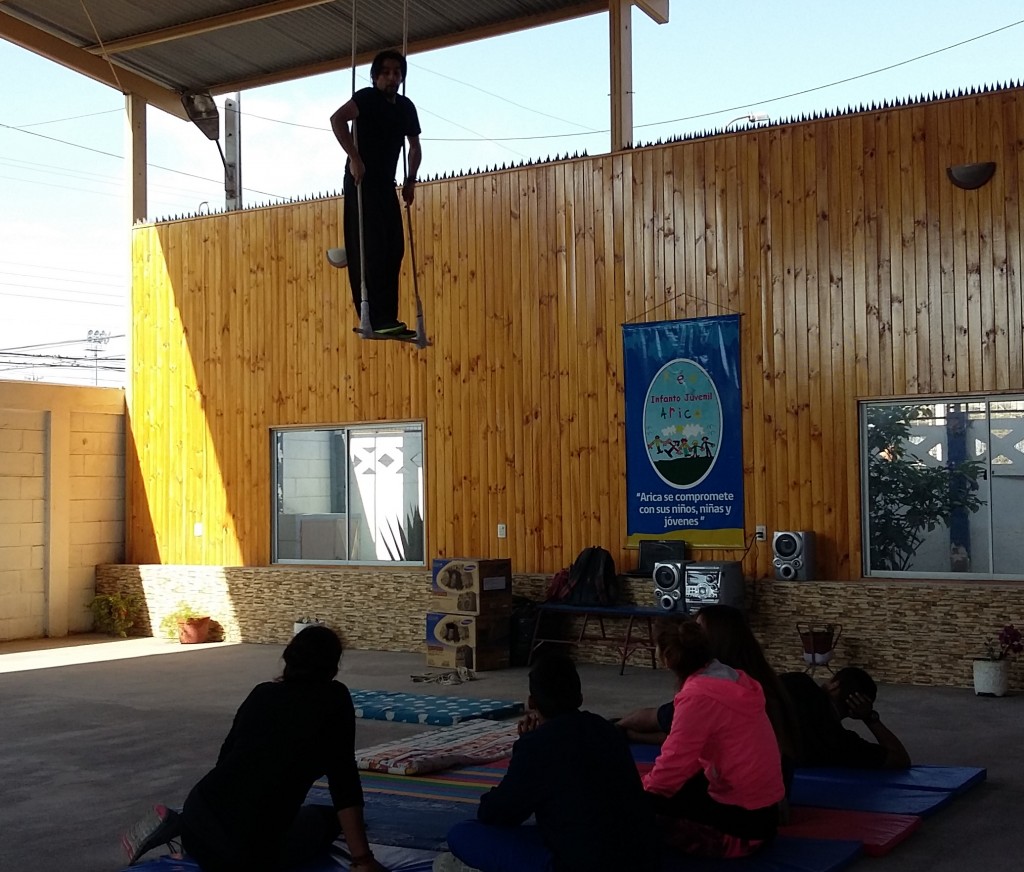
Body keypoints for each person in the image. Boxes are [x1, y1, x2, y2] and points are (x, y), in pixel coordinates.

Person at [121, 625, 387, 872]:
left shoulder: (262, 693)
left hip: (198, 819)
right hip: (246, 853)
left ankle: (177, 822)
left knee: (282, 819)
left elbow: (226, 756)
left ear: (289, 659)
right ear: (333, 666)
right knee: (326, 820)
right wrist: (362, 859)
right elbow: (344, 782)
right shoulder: (334, 700)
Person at [435, 653, 657, 872]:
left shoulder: (538, 746)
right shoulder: (605, 730)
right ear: (579, 698)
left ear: (532, 702)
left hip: (582, 863)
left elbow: (497, 813)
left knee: (463, 834)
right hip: (639, 857)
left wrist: (525, 748)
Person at [616, 605, 799, 791]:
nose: (691, 633)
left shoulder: (708, 690)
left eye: (696, 628)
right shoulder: (746, 679)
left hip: (749, 794)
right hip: (771, 788)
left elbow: (672, 754)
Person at [643, 618, 784, 859]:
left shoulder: (698, 696)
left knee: (632, 811)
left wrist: (637, 797)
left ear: (666, 655)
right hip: (767, 814)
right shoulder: (733, 678)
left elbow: (670, 770)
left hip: (743, 832)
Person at [330, 49, 422, 337]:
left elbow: (415, 147)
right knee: (372, 247)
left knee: (394, 247)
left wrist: (410, 180)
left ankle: (387, 318)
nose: (392, 77)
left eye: (397, 72)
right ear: (375, 76)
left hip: (386, 183)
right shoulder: (367, 98)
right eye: (386, 72)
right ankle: (372, 316)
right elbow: (337, 119)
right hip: (362, 180)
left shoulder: (406, 107)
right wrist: (355, 158)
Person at [780, 666, 911, 769]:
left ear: (834, 685)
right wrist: (869, 717)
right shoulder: (841, 743)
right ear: (854, 711)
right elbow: (899, 758)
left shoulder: (797, 683)